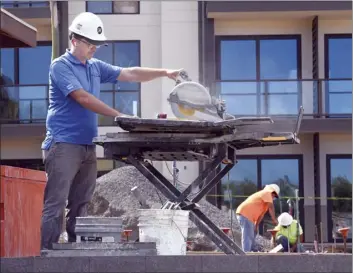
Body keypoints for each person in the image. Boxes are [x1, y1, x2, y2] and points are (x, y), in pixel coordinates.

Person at [40, 11, 183, 250]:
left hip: (87, 146)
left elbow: (130, 73)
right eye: (90, 43)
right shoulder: (60, 67)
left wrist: (165, 72)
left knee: (80, 204)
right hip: (63, 145)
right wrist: (118, 114)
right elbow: (82, 97)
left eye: (97, 44)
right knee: (55, 204)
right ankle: (45, 256)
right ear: (75, 40)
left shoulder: (94, 67)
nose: (94, 49)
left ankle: (73, 255)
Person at [235, 184, 280, 252]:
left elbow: (261, 215)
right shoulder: (267, 193)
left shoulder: (264, 204)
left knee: (252, 234)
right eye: (275, 195)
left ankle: (253, 251)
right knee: (247, 235)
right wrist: (274, 220)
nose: (274, 197)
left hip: (247, 216)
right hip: (245, 214)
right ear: (272, 192)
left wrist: (256, 226)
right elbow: (271, 207)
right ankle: (246, 254)